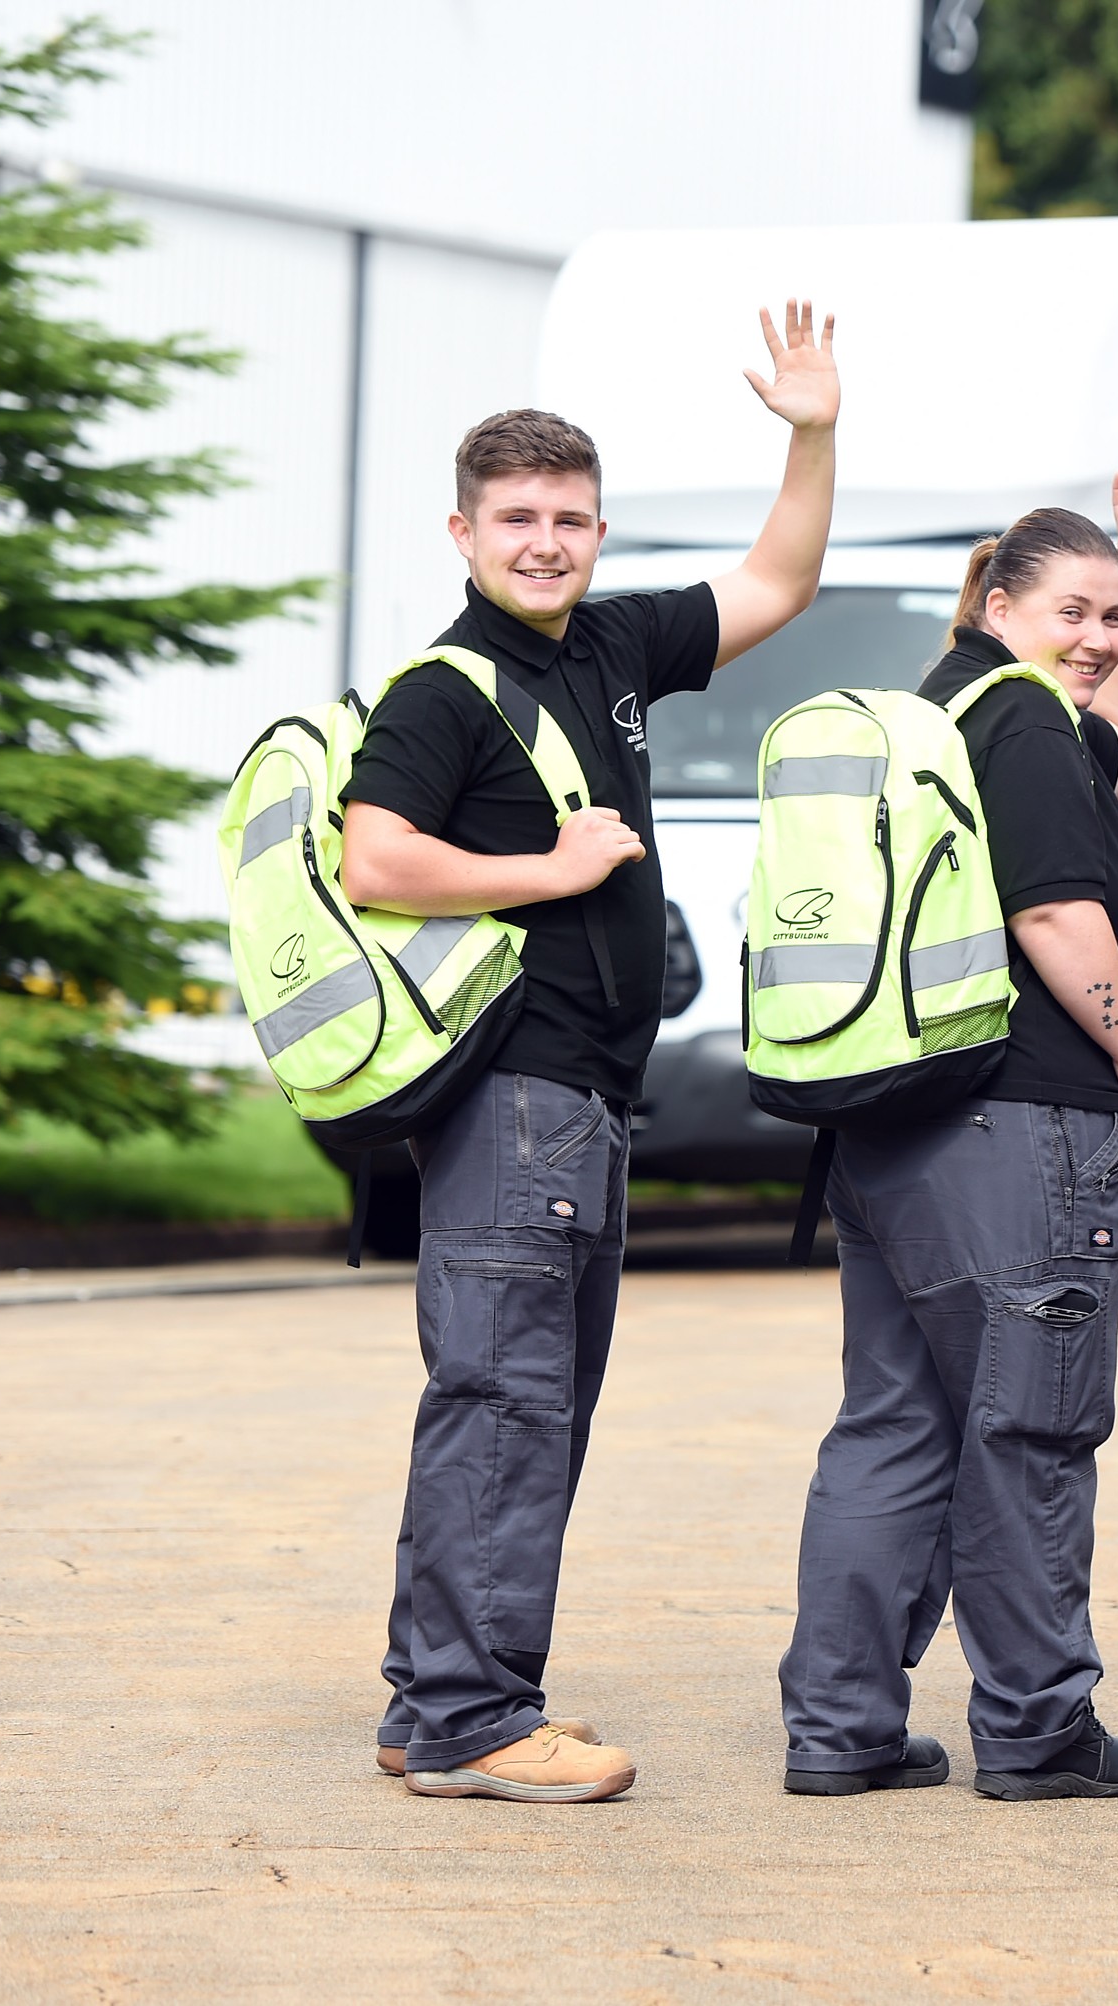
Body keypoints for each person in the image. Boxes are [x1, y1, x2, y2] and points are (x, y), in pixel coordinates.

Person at [340, 302, 843, 1803]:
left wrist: (810, 429)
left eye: (568, 517)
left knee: (516, 1398)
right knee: (506, 1397)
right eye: (517, 519)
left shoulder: (613, 641)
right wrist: (551, 872)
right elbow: (377, 856)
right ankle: (475, 1722)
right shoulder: (448, 688)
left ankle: (429, 1692)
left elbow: (780, 576)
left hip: (586, 1102)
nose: (545, 541)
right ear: (462, 529)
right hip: (515, 1092)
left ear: (600, 528)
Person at [778, 477, 1118, 1802]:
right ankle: (1036, 1725)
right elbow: (1060, 913)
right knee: (1032, 1426)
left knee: (894, 1423)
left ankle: (840, 1725)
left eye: (1116, 614)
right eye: (1080, 609)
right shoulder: (1020, 720)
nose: (1104, 636)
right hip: (1024, 1131)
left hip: (894, 1129)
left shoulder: (949, 707)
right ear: (1001, 604)